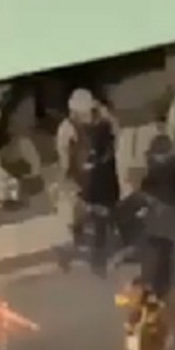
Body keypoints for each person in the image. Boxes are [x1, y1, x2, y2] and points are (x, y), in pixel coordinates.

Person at [55, 89, 119, 274]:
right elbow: (115, 141)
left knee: (96, 218)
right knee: (95, 218)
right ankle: (92, 256)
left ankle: (93, 256)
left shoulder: (72, 127)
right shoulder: (71, 128)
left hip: (97, 178)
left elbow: (65, 160)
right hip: (93, 178)